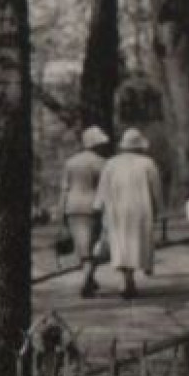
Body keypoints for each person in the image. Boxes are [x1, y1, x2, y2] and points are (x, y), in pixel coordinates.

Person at [93, 128, 164, 300]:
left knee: (120, 243)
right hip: (141, 208)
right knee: (136, 244)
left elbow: (103, 188)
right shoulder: (148, 164)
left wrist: (99, 206)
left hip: (117, 209)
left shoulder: (111, 163)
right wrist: (158, 208)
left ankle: (125, 278)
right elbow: (156, 190)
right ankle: (129, 278)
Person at [59, 126, 112, 297]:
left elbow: (65, 189)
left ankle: (88, 276)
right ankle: (88, 276)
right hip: (93, 206)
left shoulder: (71, 162)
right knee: (94, 245)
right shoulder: (102, 163)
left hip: (73, 206)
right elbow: (105, 189)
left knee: (82, 246)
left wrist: (61, 211)